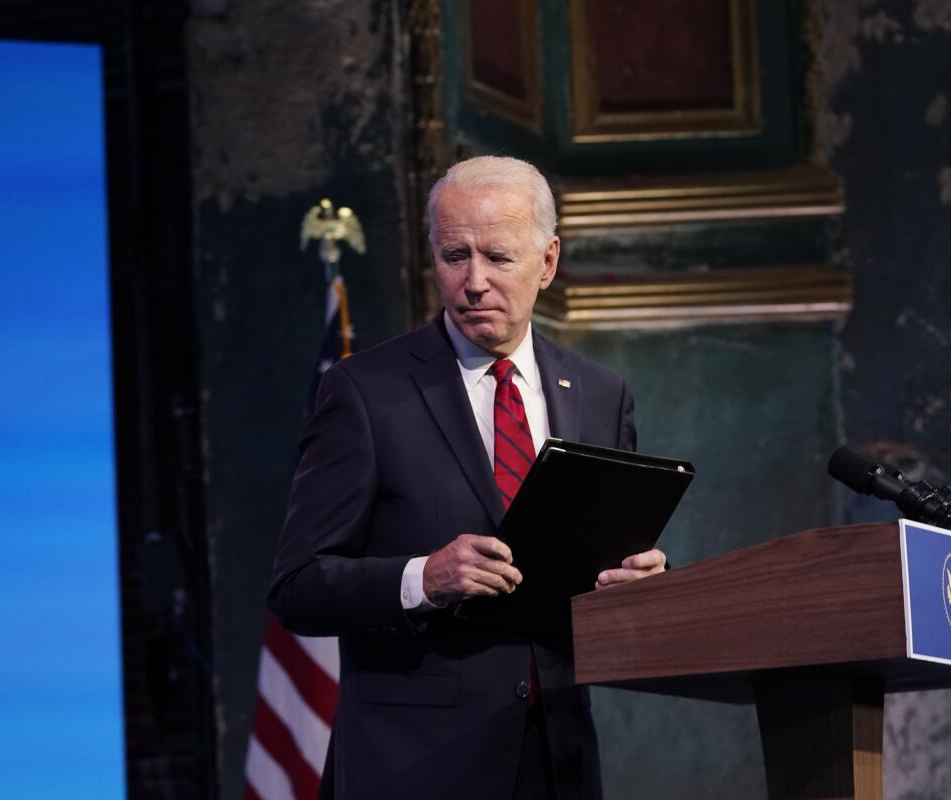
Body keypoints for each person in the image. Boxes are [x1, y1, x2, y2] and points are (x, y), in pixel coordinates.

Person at [268, 156, 667, 800]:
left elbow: (594, 583)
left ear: (548, 261)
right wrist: (421, 579)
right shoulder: (366, 393)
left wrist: (638, 589)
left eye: (499, 258)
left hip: (555, 756)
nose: (474, 281)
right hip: (413, 767)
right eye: (456, 255)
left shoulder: (600, 394)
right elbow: (297, 587)